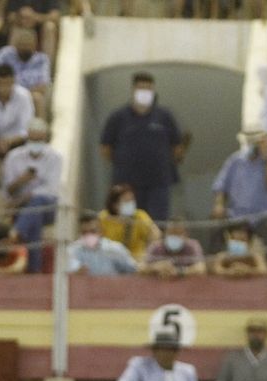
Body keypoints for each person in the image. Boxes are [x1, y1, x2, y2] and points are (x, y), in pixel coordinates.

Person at [99, 71, 187, 221]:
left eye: (148, 89)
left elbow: (177, 147)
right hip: (127, 184)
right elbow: (106, 148)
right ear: (133, 90)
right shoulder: (118, 117)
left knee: (157, 223)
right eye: (141, 88)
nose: (145, 92)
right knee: (127, 222)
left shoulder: (164, 116)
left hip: (158, 183)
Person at [2, 116, 60, 260]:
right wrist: (21, 181)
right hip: (19, 206)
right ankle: (34, 269)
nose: (35, 143)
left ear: (45, 138)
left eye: (39, 140)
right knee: (35, 216)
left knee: (38, 202)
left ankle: (16, 233)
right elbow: (7, 190)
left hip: (49, 206)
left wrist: (28, 196)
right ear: (27, 137)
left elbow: (51, 189)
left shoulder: (55, 157)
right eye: (33, 140)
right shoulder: (13, 157)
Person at [211, 130, 267, 231]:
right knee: (217, 223)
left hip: (266, 216)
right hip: (238, 217)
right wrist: (219, 205)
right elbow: (220, 186)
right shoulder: (235, 160)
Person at [117, 332, 199, 381]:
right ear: (154, 350)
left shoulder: (188, 371)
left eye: (172, 349)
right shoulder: (140, 365)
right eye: (163, 349)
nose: (168, 353)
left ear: (177, 351)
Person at [0, 26, 48, 113]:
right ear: (16, 45)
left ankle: (39, 125)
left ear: (35, 46)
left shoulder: (42, 60)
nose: (25, 48)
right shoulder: (6, 53)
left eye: (28, 45)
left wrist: (20, 96)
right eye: (22, 45)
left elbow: (43, 86)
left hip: (28, 96)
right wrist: (3, 90)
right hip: (3, 92)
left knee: (37, 98)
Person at [99, 184, 159, 261]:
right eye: (126, 201)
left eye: (132, 200)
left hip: (137, 259)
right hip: (111, 259)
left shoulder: (140, 216)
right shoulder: (104, 217)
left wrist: (148, 253)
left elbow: (156, 235)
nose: (130, 203)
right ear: (115, 205)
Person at [68, 211, 137, 276]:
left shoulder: (114, 249)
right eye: (85, 232)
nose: (89, 235)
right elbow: (72, 268)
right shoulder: (73, 250)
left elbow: (133, 269)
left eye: (93, 231)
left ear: (101, 231)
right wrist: (77, 272)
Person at [141, 219, 207, 278]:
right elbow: (140, 268)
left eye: (178, 233)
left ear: (186, 235)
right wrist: (155, 267)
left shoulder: (193, 245)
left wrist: (179, 272)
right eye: (171, 233)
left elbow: (201, 268)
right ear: (165, 233)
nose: (174, 236)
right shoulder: (156, 246)